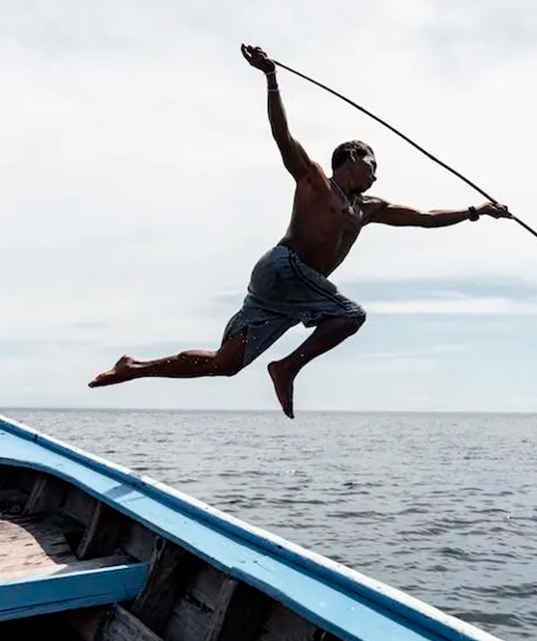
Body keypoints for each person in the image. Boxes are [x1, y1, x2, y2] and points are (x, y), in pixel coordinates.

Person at [87, 45, 511, 418]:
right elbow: (281, 135)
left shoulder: (368, 209)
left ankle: (134, 368)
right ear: (352, 158)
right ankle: (287, 368)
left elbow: (424, 216)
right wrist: (272, 78)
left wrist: (476, 211)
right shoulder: (314, 181)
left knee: (225, 363)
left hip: (291, 296)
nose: (376, 176)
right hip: (282, 270)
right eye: (372, 165)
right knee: (351, 315)